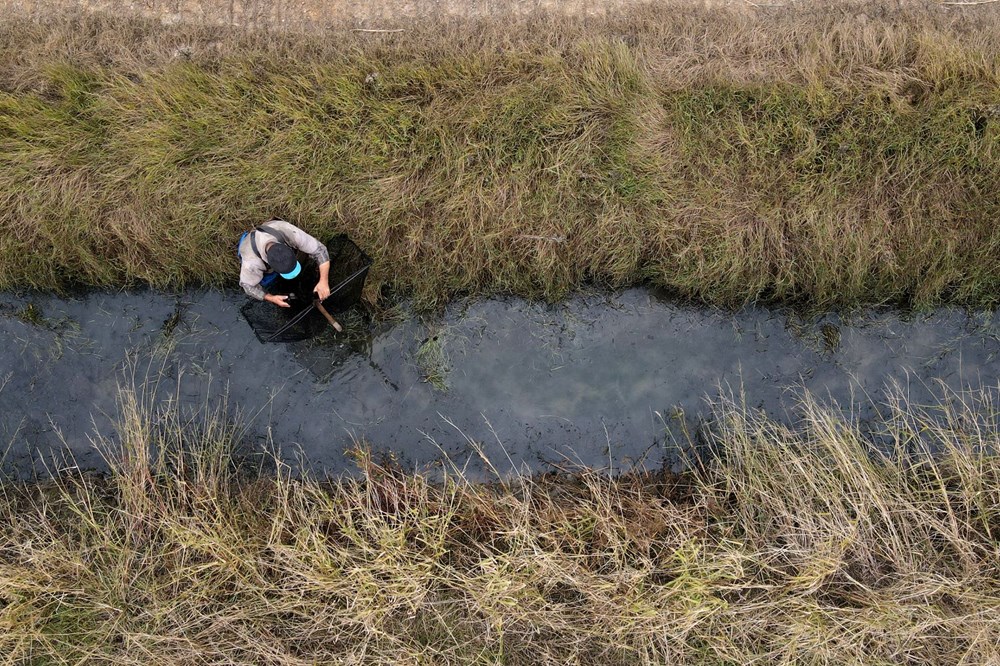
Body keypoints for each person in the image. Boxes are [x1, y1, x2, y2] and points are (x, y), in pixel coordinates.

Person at [237, 220, 331, 308]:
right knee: (265, 281)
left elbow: (320, 250)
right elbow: (248, 286)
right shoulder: (251, 263)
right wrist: (271, 298)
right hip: (250, 246)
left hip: (270, 228)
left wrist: (323, 281)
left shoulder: (287, 231)